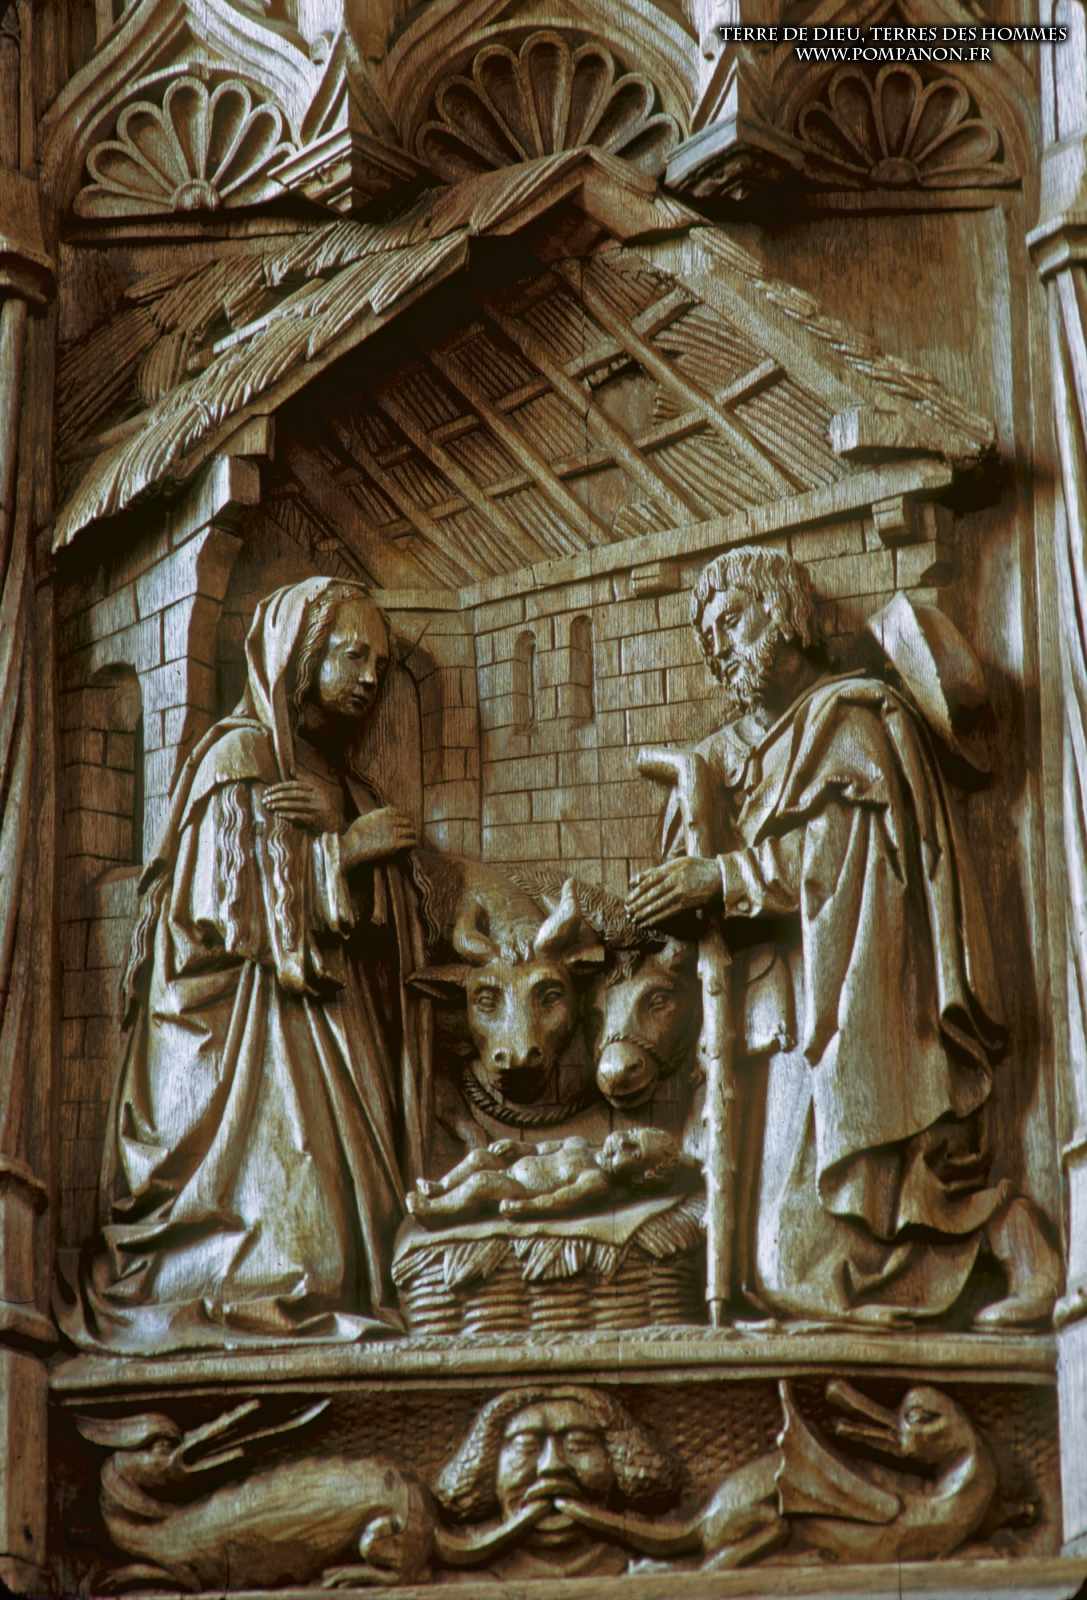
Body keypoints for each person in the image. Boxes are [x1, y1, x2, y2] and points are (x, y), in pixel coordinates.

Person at [626, 546, 1060, 1326]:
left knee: (794, 1269)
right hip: (757, 1025)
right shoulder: (716, 758)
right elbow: (684, 889)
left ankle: (1011, 1234)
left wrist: (719, 879)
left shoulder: (848, 721)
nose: (719, 647)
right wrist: (668, 897)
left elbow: (838, 861)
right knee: (741, 1267)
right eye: (708, 636)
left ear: (785, 614)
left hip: (846, 1005)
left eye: (732, 620)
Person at [60, 579, 431, 1351]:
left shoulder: (343, 781)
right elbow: (222, 915)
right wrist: (344, 853)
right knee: (303, 1254)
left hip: (324, 1029)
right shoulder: (240, 757)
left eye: (381, 665)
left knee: (349, 1238)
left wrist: (358, 854)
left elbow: (374, 931)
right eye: (353, 655)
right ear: (300, 655)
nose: (371, 677)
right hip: (239, 1043)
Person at [434, 1386, 678, 1580]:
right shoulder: (451, 1577)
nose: (551, 1465)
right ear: (488, 1470)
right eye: (526, 1446)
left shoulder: (663, 1569)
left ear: (616, 1461)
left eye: (578, 1444)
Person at [405, 1129, 685, 1225]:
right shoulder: (579, 1143)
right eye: (632, 1133)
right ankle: (441, 1186)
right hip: (513, 1167)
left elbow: (560, 1200)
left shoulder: (596, 1180)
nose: (623, 1142)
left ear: (638, 1179)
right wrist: (518, 1147)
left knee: (482, 1182)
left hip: (520, 1189)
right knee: (479, 1157)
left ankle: (434, 1211)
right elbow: (540, 1149)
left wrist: (528, 1207)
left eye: (635, 1153)